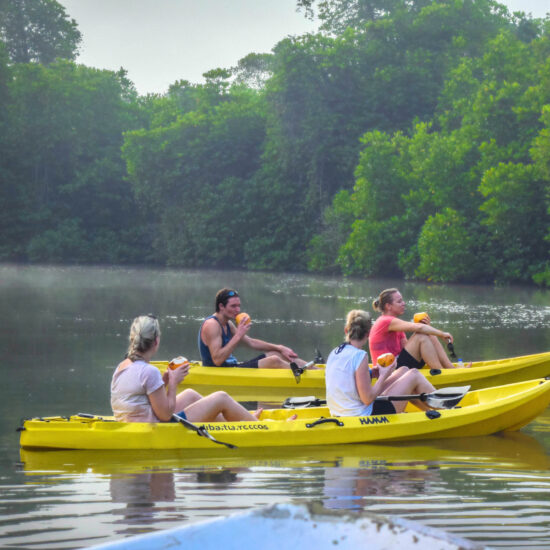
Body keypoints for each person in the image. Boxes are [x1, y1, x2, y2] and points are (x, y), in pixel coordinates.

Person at [111, 315, 260, 423]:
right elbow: (165, 415)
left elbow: (141, 400)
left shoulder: (122, 366)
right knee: (221, 397)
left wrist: (164, 382)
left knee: (190, 394)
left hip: (136, 420)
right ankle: (255, 426)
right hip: (157, 427)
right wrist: (174, 382)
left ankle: (235, 424)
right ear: (156, 341)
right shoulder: (149, 371)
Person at [325, 310, 437, 415]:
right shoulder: (360, 355)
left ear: (346, 330)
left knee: (404, 370)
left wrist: (371, 373)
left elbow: (349, 379)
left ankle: (430, 412)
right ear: (368, 333)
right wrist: (384, 375)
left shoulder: (334, 352)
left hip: (343, 411)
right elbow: (367, 399)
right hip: (363, 414)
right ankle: (447, 408)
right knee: (414, 374)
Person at [198, 288, 311, 369]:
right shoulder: (212, 325)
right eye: (233, 306)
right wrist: (238, 336)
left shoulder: (228, 324)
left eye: (238, 306)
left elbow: (251, 342)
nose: (238, 310)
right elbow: (217, 360)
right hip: (219, 372)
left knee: (275, 354)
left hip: (232, 367)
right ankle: (303, 375)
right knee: (274, 361)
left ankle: (318, 372)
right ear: (221, 307)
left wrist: (279, 348)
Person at [369, 288, 470, 370]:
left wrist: (428, 328)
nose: (403, 303)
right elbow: (419, 328)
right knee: (421, 336)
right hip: (387, 370)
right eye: (399, 301)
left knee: (428, 334)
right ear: (388, 306)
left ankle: (450, 368)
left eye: (402, 300)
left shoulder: (396, 323)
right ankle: (440, 372)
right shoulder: (385, 321)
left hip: (398, 364)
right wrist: (442, 334)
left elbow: (406, 349)